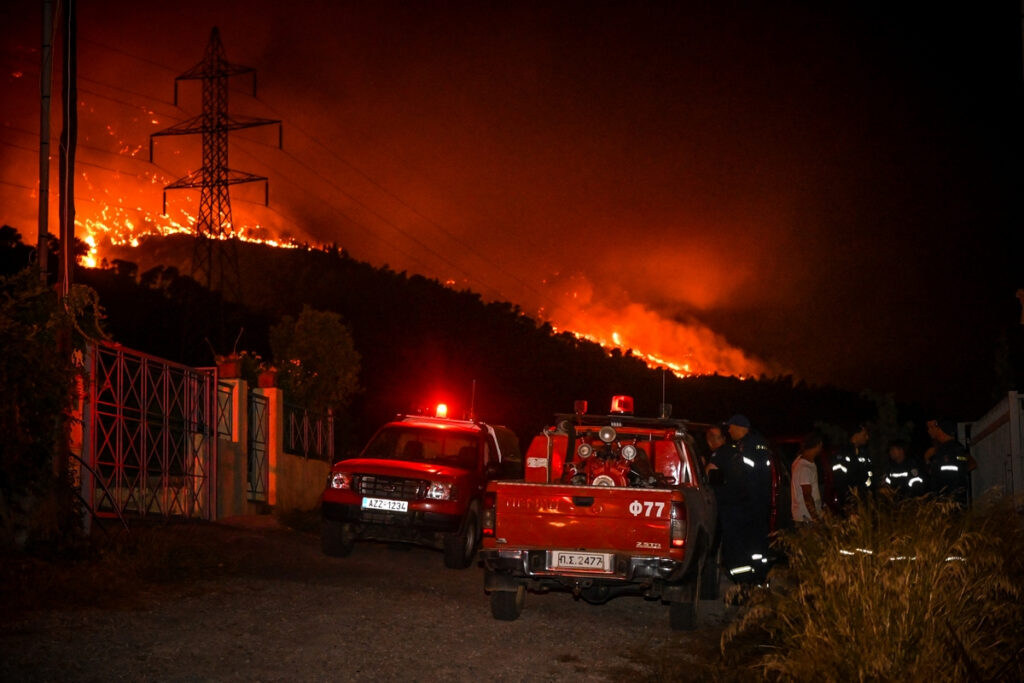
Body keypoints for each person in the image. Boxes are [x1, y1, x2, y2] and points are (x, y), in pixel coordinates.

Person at [706, 414, 774, 584]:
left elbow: (736, 477)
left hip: (740, 508)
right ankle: (758, 580)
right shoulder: (757, 445)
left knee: (737, 549)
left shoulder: (745, 448)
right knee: (757, 548)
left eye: (731, 427)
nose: (729, 430)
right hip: (756, 506)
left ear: (740, 428)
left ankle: (743, 586)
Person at [925, 419, 971, 506]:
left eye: (931, 427)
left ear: (939, 429)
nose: (928, 431)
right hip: (942, 500)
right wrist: (927, 460)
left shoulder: (955, 448)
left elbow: (968, 466)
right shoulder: (940, 450)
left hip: (952, 501)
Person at [829, 423, 871, 510]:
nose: (867, 437)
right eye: (864, 435)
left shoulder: (863, 453)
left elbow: (868, 474)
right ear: (855, 436)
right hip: (850, 503)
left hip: (864, 502)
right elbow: (839, 481)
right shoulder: (842, 454)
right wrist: (847, 503)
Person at [790, 432, 823, 525]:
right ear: (818, 445)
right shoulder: (804, 467)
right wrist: (815, 517)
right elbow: (807, 495)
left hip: (806, 516)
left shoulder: (803, 462)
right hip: (806, 518)